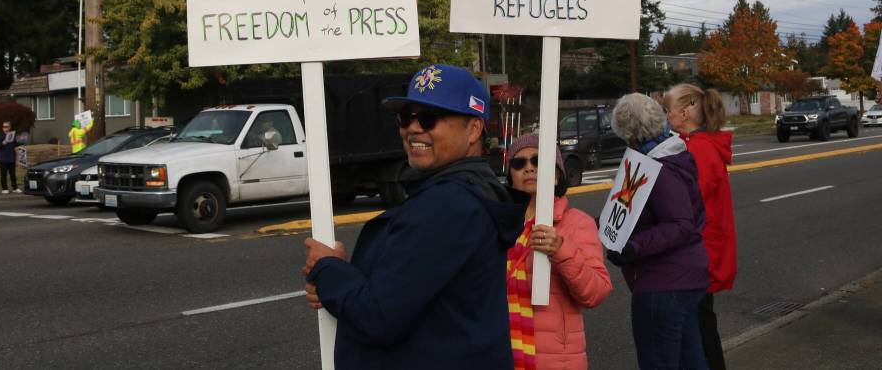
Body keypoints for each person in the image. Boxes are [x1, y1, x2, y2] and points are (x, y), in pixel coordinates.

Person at [303, 64, 526, 369]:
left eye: (429, 118)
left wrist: (328, 270)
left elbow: (379, 316)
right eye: (406, 117)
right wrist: (342, 277)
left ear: (473, 129)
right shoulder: (467, 193)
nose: (414, 128)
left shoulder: (448, 204)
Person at [608, 93, 709, 370]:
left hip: (662, 282)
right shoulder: (672, 155)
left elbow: (679, 225)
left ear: (629, 132)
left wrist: (632, 247)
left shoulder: (656, 167)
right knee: (690, 359)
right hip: (685, 277)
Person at [505, 134, 612, 369]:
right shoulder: (499, 224)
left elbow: (597, 291)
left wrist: (562, 250)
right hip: (503, 352)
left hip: (557, 359)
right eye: (519, 163)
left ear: (555, 175)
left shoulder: (578, 223)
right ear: (510, 175)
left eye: (537, 161)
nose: (529, 168)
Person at [664, 84, 737, 370]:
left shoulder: (697, 149)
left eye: (668, 109)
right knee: (700, 328)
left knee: (700, 333)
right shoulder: (701, 145)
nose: (666, 115)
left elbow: (689, 204)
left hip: (697, 254)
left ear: (684, 112)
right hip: (703, 251)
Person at [0, 121, 22, 194]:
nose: (5, 128)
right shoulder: (0, 135)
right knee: (3, 174)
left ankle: (15, 187)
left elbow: (16, 147)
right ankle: (4, 188)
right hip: (2, 159)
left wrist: (18, 158)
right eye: (3, 127)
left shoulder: (12, 135)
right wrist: (3, 142)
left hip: (11, 158)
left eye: (6, 127)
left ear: (9, 127)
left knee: (13, 174)